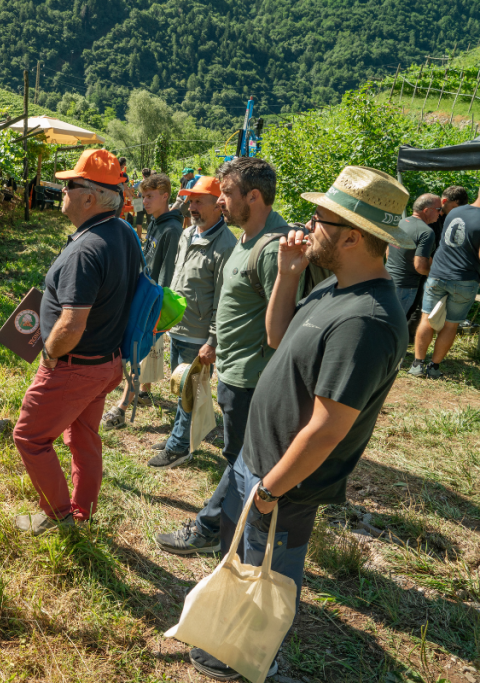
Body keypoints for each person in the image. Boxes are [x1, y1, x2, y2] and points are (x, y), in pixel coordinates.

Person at [184, 166, 409, 680]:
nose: (308, 228)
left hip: (282, 480)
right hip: (258, 461)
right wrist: (286, 274)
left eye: (320, 219)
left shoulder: (366, 321)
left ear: (353, 235)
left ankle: (255, 663)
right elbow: (277, 336)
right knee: (242, 562)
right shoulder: (334, 288)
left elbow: (329, 428)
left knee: (271, 578)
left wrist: (270, 488)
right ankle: (227, 646)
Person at [155, 157, 292, 556]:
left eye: (226, 194)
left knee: (240, 460)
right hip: (233, 372)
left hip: (252, 378)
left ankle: (211, 528)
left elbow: (281, 324)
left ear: (254, 196)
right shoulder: (249, 235)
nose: (220, 201)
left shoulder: (270, 248)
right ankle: (230, 531)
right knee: (240, 458)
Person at [12, 149, 143, 534]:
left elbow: (71, 325)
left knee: (30, 437)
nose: (61, 191)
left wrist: (50, 356)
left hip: (76, 365)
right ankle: (82, 512)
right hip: (107, 362)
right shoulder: (123, 233)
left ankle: (57, 518)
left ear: (89, 197)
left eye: (69, 185)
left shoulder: (86, 250)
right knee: (83, 436)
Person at [146, 175, 237, 468]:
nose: (191, 206)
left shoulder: (226, 246)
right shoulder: (187, 234)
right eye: (190, 200)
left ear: (218, 205)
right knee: (179, 386)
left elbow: (224, 300)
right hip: (179, 327)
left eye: (198, 201)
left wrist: (212, 341)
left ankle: (179, 448)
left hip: (199, 337)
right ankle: (179, 435)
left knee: (191, 393)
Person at [101, 172, 183, 427]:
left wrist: (156, 306)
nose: (144, 202)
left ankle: (122, 408)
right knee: (144, 349)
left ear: (165, 196)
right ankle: (144, 391)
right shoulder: (157, 222)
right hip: (143, 291)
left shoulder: (172, 228)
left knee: (139, 348)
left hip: (153, 299)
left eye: (150, 197)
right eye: (143, 196)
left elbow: (167, 273)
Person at [409, 191, 480, 379]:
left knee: (426, 319)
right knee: (450, 325)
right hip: (465, 279)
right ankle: (434, 367)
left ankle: (417, 364)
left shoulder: (455, 212)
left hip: (438, 274)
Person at [386, 194, 438, 314]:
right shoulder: (427, 232)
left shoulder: (400, 223)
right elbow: (420, 266)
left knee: (385, 323)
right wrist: (436, 276)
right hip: (405, 287)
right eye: (438, 209)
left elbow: (388, 252)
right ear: (427, 210)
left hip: (388, 280)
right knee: (395, 327)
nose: (440, 213)